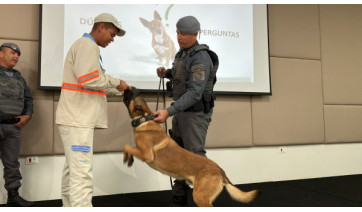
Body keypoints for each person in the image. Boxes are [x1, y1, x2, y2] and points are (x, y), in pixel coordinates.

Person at [55, 13, 132, 207]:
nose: (112, 39)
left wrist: (119, 89)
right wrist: (117, 82)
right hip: (77, 120)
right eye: (112, 34)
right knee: (82, 173)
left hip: (76, 119)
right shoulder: (87, 46)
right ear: (101, 27)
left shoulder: (86, 47)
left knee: (73, 170)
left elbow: (93, 83)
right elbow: (89, 79)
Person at [153, 16, 219, 206]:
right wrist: (166, 73)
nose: (178, 37)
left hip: (195, 115)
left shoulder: (200, 57)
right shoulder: (183, 54)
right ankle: (179, 200)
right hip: (182, 112)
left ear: (194, 34)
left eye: (183, 34)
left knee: (195, 158)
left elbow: (196, 91)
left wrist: (169, 111)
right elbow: (182, 74)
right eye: (177, 33)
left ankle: (204, 202)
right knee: (179, 158)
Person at [0, 42, 34, 207]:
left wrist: (27, 115)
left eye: (18, 54)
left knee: (12, 164)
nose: (16, 57)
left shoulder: (19, 77)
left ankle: (13, 197)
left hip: (13, 128)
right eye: (12, 53)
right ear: (1, 54)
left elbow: (28, 99)